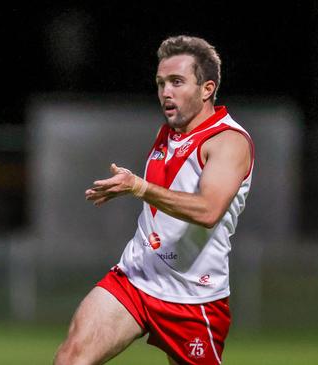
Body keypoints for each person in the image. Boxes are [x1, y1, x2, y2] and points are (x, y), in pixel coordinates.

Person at [54, 35, 254, 365]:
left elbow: (208, 211)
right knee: (72, 356)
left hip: (193, 298)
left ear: (207, 89)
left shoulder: (228, 142)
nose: (166, 92)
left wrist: (140, 187)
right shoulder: (171, 132)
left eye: (177, 82)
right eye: (161, 83)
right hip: (137, 276)